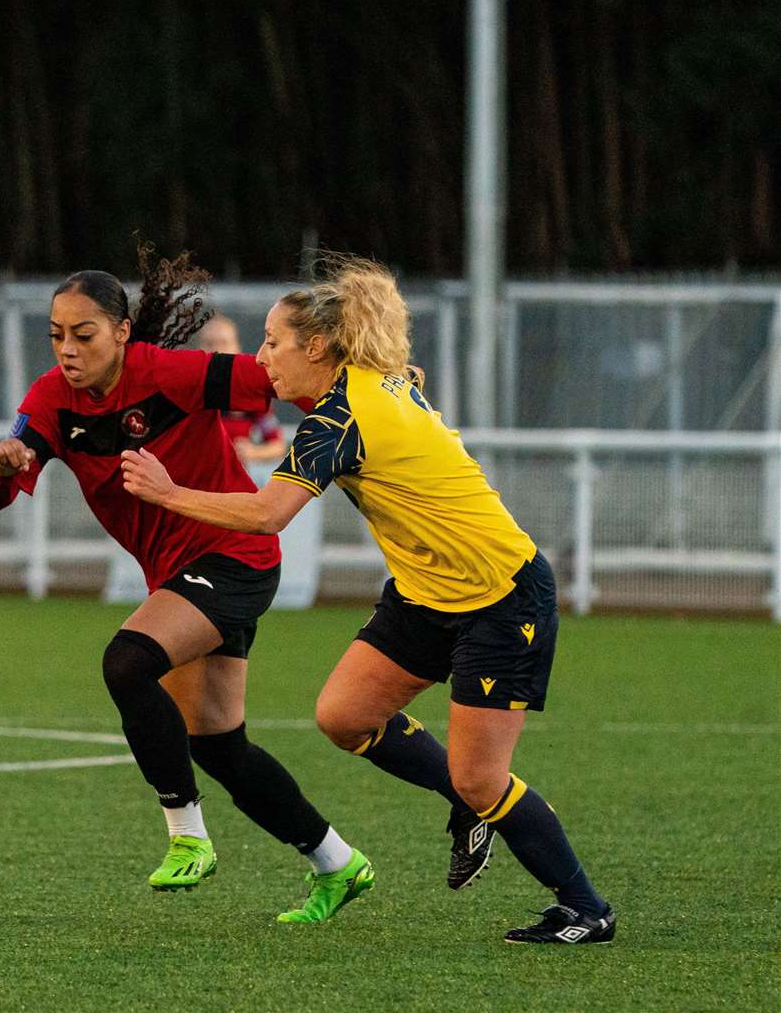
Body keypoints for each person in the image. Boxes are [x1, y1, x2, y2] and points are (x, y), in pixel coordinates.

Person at [120, 255, 614, 944]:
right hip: (426, 594)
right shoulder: (366, 386)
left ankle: (585, 908)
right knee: (345, 716)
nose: (262, 357)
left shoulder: (340, 418)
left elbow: (268, 516)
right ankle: (467, 803)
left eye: (273, 342)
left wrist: (167, 492)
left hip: (501, 596)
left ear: (317, 346)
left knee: (481, 779)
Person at [0, 246, 373, 922]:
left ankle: (187, 834)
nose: (67, 350)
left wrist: (368, 382)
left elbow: (274, 377)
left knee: (127, 662)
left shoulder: (173, 374)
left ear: (122, 333)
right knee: (220, 746)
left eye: (83, 335)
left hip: (237, 554)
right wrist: (7, 462)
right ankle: (337, 862)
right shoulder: (49, 399)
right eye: (56, 336)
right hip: (183, 576)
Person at [196, 315, 286, 464]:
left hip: (234, 481)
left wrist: (252, 452)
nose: (217, 350)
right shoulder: (187, 392)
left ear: (237, 348)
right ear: (199, 349)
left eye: (224, 343)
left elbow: (278, 446)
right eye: (209, 343)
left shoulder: (250, 393)